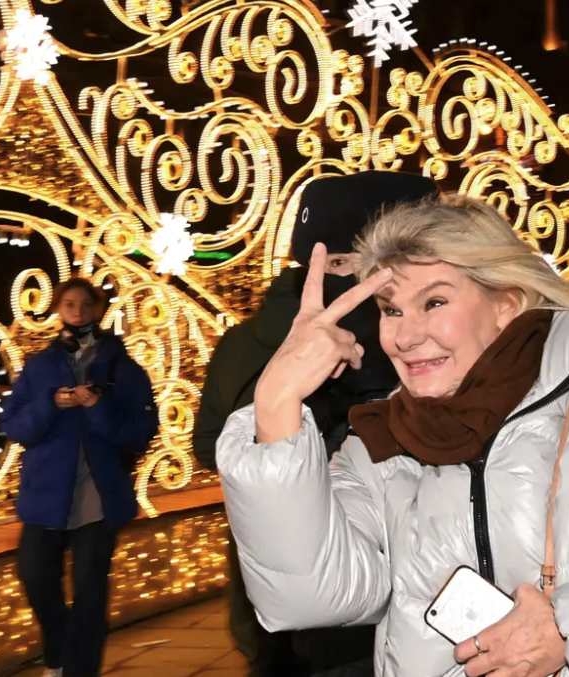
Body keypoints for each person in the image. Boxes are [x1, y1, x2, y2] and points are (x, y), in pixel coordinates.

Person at [214, 194, 569, 677]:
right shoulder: (379, 446)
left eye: (435, 302)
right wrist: (276, 404)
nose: (405, 335)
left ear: (506, 303)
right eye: (391, 310)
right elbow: (306, 595)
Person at [192, 171, 438, 677]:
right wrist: (288, 439)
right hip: (349, 610)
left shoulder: (241, 340)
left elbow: (208, 447)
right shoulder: (376, 349)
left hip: (283, 603)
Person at [0, 279, 158, 677]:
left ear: (98, 309)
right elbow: (16, 426)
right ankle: (58, 653)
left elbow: (141, 430)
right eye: (68, 303)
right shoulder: (40, 367)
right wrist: (51, 403)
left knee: (90, 593)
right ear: (57, 309)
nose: (77, 311)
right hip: (46, 496)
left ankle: (79, 670)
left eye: (86, 304)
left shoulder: (123, 367)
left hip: (97, 498)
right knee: (35, 578)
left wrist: (97, 407)